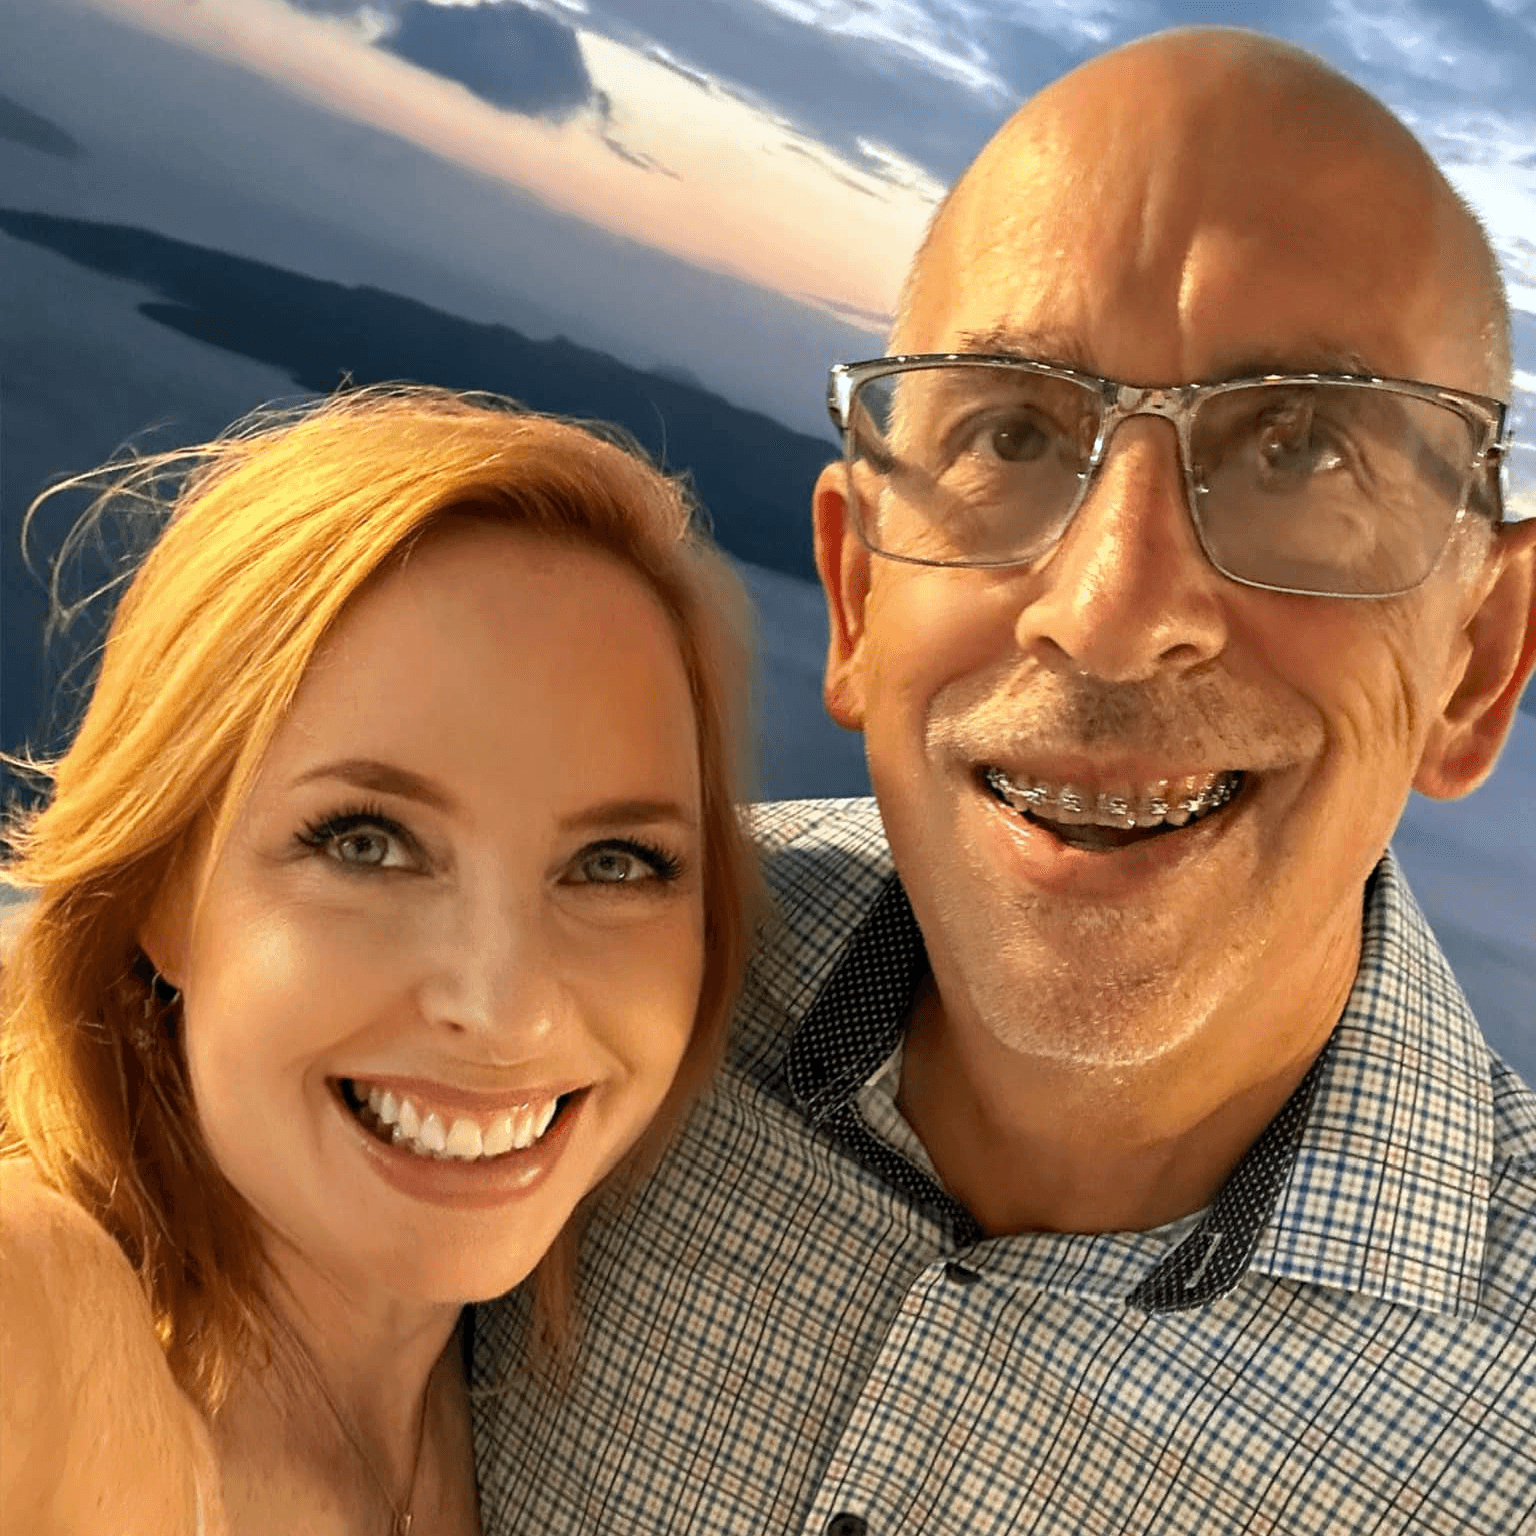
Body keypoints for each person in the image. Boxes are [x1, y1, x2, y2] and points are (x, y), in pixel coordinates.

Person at [471, 29, 1536, 1534]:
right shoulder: (569, 1005)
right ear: (852, 599)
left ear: (1478, 661)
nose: (1110, 607)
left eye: (1300, 452)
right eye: (1015, 433)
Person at [0, 388, 759, 1533]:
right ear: (158, 892)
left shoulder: (509, 1410)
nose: (503, 1011)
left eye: (613, 863)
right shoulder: (34, 1332)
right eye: (367, 844)